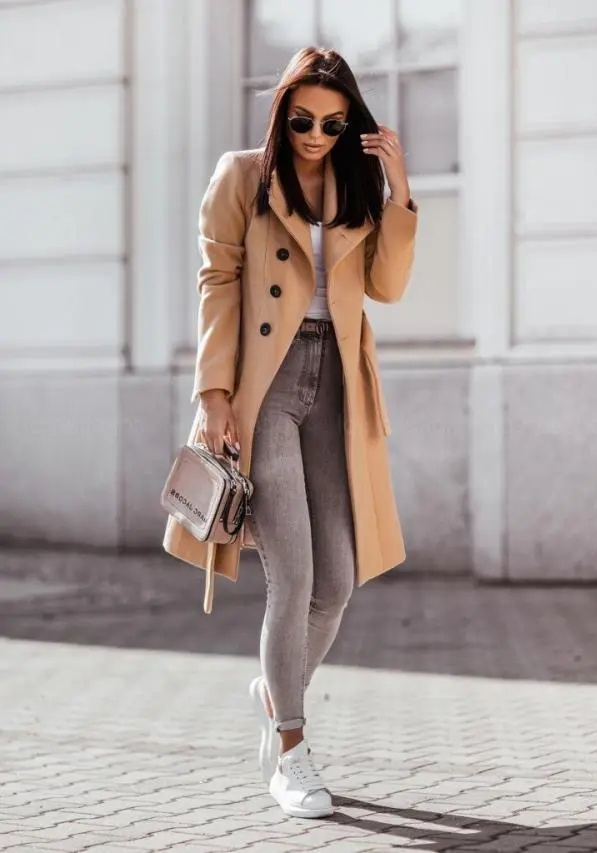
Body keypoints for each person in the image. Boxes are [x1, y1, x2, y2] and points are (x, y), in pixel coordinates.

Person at [163, 46, 417, 819]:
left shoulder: (356, 184)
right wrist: (214, 393)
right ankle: (293, 752)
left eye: (332, 122)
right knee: (295, 577)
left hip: (335, 380)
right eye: (302, 118)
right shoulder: (241, 174)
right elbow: (216, 281)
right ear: (282, 112)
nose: (315, 133)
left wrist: (398, 186)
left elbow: (387, 286)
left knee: (339, 580)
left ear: (351, 124)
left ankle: (276, 685)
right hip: (264, 385)